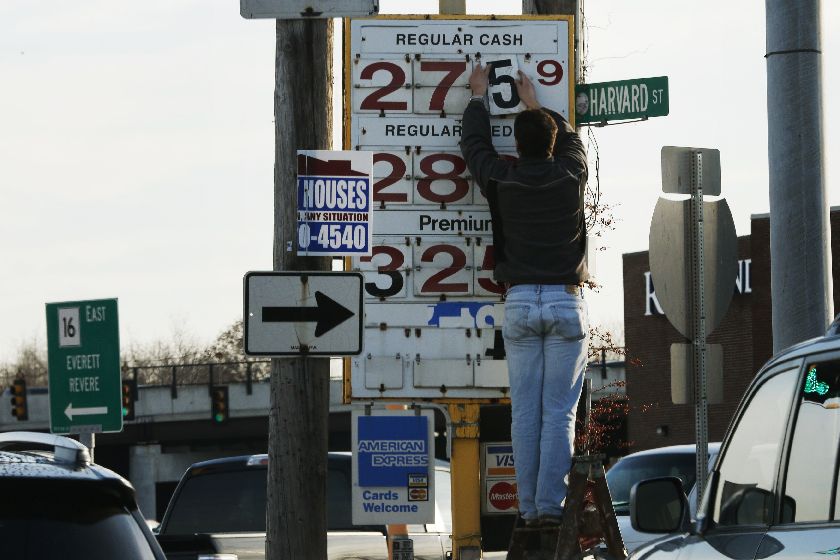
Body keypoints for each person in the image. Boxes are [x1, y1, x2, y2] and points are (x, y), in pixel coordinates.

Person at [460, 63, 589, 528]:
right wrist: (536, 105)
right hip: (564, 300)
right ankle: (549, 510)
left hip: (517, 302)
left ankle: (529, 508)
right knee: (558, 415)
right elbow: (573, 141)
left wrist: (478, 97)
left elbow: (474, 148)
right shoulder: (571, 177)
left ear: (516, 146)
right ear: (551, 141)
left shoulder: (502, 180)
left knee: (525, 413)